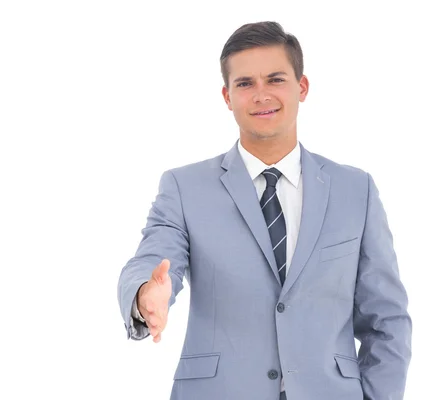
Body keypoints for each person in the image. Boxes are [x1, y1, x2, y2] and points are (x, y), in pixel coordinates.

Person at [117, 21, 412, 400]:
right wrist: (145, 295)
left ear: (301, 87)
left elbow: (387, 319)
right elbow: (153, 258)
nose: (261, 95)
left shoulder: (356, 190)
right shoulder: (183, 187)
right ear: (227, 96)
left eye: (275, 79)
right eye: (245, 84)